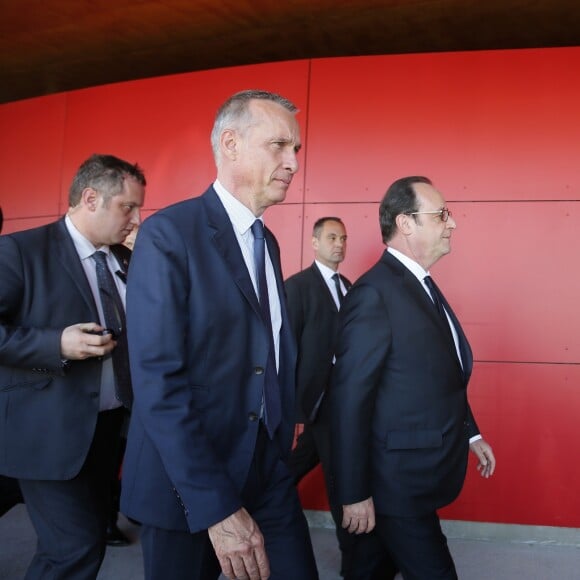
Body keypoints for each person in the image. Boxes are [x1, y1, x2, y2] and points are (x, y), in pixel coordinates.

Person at [120, 90, 319, 580]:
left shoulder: (266, 241)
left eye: (295, 149)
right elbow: (158, 383)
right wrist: (214, 506)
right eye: (279, 146)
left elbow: (266, 350)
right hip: (185, 480)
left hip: (266, 463)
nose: (293, 162)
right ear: (230, 144)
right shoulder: (170, 233)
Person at [330, 176, 496, 580]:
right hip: (396, 486)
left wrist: (470, 433)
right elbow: (350, 401)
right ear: (406, 224)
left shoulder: (421, 285)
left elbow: (438, 375)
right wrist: (353, 494)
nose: (451, 223)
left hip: (412, 479)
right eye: (441, 214)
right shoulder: (375, 294)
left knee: (367, 569)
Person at [0, 154, 145, 579]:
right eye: (128, 207)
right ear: (90, 198)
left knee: (79, 543)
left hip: (107, 431)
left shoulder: (125, 259)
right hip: (47, 430)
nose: (136, 219)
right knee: (75, 549)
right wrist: (54, 343)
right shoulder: (21, 251)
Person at [286, 217, 396, 580]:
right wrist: (293, 411)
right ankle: (358, 566)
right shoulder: (298, 288)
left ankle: (257, 504)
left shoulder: (349, 286)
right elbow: (285, 352)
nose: (339, 244)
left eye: (343, 238)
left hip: (345, 404)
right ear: (314, 242)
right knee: (342, 482)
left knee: (293, 472)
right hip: (317, 406)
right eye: (331, 237)